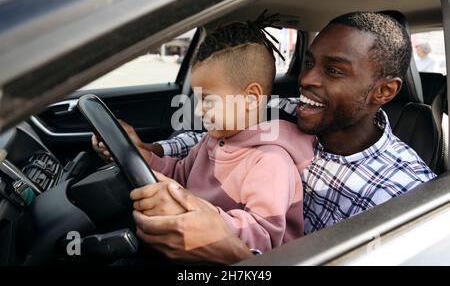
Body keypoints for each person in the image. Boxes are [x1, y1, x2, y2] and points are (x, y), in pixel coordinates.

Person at [93, 11, 437, 264]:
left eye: (332, 70)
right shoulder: (286, 109)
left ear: (384, 91)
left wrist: (232, 252)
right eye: (308, 63)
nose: (306, 80)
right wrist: (148, 151)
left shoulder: (407, 195)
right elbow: (211, 139)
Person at [96, 19, 315, 252]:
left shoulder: (270, 161)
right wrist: (144, 158)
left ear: (251, 98)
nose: (199, 111)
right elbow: (181, 173)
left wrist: (195, 212)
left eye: (207, 99)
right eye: (197, 98)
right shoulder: (212, 140)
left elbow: (262, 239)